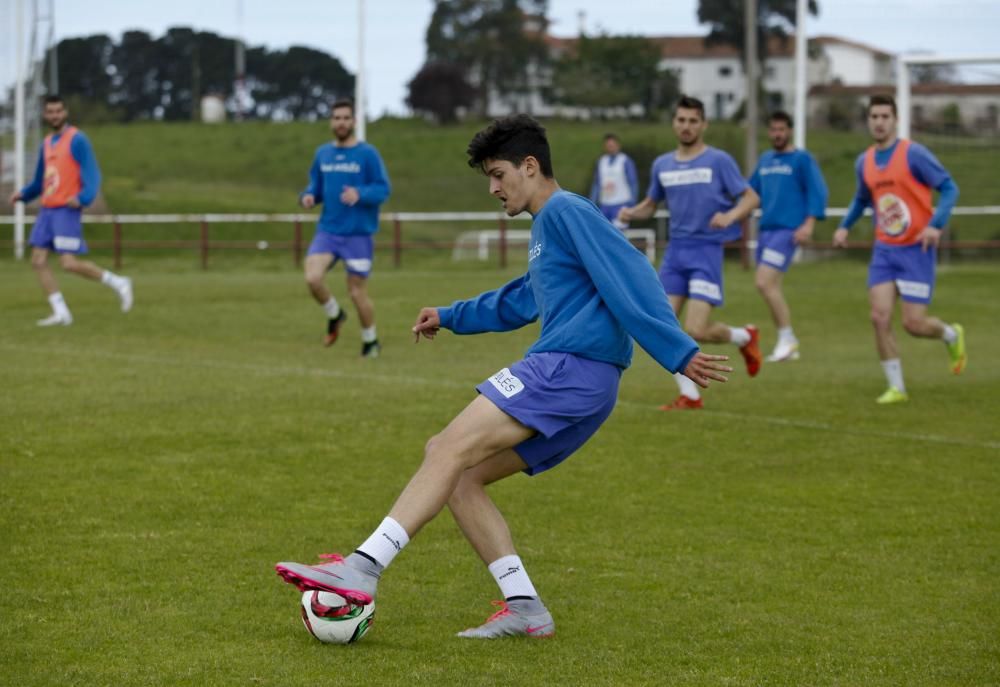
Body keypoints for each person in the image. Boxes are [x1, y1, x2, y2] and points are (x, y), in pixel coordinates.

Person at [276, 114, 732, 639]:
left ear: (530, 166)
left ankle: (361, 568)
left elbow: (631, 272)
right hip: (585, 382)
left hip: (567, 368)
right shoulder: (548, 227)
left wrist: (678, 351)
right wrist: (451, 315)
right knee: (461, 476)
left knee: (446, 448)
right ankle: (526, 609)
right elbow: (522, 297)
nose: (493, 188)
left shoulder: (565, 210)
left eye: (498, 174)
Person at [618, 95, 761, 411]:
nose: (686, 126)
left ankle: (744, 337)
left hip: (706, 253)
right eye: (681, 120)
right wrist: (631, 212)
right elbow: (650, 205)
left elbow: (751, 198)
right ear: (674, 123)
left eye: (693, 120)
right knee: (662, 327)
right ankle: (690, 396)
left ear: (703, 124)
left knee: (696, 330)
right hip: (675, 254)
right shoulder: (662, 165)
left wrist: (731, 216)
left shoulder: (718, 161)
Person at [833, 94, 965, 404]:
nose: (879, 122)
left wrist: (936, 224)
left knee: (913, 324)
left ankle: (951, 335)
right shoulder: (863, 161)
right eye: (874, 116)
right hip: (885, 251)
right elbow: (862, 199)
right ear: (868, 121)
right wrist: (844, 225)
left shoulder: (914, 154)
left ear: (895, 120)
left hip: (916, 249)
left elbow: (949, 188)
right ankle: (897, 388)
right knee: (879, 317)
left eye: (884, 116)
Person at [8, 94, 132, 325]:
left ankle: (118, 282)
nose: (54, 115)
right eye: (50, 112)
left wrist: (84, 197)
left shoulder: (78, 140)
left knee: (69, 263)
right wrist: (24, 194)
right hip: (47, 209)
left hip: (66, 209)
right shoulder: (46, 144)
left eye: (58, 111)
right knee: (37, 260)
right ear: (45, 115)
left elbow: (93, 174)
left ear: (65, 113)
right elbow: (39, 181)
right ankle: (61, 312)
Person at [300, 99, 391, 357]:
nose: (341, 122)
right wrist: (308, 197)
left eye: (345, 118)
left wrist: (359, 193)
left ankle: (370, 341)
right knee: (312, 278)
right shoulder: (323, 154)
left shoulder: (368, 154)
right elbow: (314, 187)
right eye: (336, 118)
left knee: (356, 292)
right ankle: (335, 314)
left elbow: (383, 189)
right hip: (328, 231)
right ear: (332, 122)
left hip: (358, 235)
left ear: (353, 122)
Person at [748, 111, 828, 362]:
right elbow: (750, 192)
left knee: (763, 282)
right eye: (773, 129)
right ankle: (787, 342)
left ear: (789, 131)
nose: (777, 134)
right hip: (766, 230)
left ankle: (787, 337)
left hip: (787, 231)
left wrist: (809, 223)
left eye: (781, 129)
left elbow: (818, 190)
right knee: (771, 287)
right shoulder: (766, 160)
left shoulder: (801, 159)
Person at [588, 133, 639, 229]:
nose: (611, 147)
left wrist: (633, 204)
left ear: (618, 145)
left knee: (619, 234)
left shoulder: (625, 160)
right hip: (605, 205)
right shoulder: (601, 161)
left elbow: (633, 182)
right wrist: (592, 203)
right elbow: (596, 184)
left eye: (612, 145)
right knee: (602, 232)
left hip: (621, 204)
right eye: (608, 145)